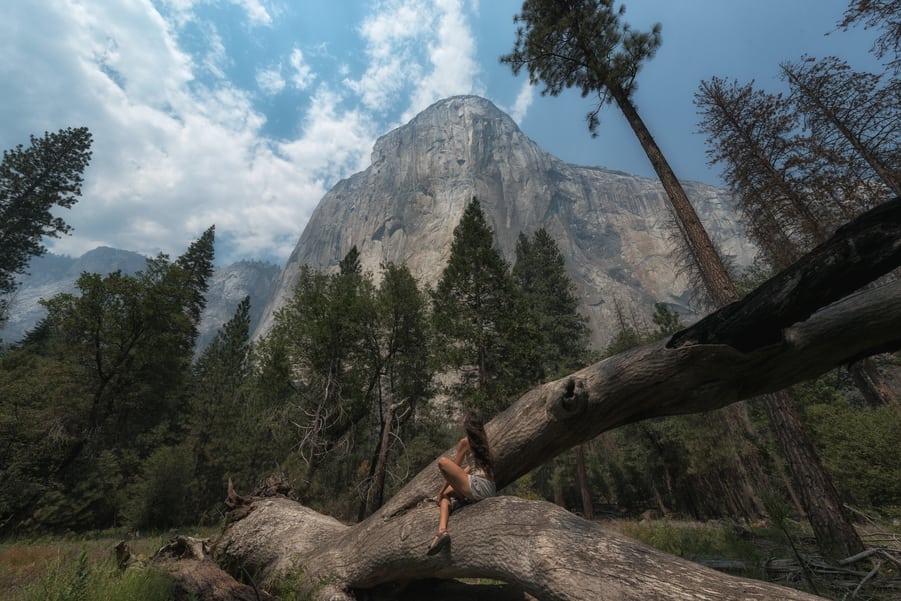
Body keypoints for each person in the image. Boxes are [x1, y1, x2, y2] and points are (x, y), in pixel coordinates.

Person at [426, 412, 496, 555]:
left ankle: (442, 531)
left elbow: (454, 468)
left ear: (468, 426)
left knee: (443, 462)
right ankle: (441, 531)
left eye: (463, 422)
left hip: (477, 487)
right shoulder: (484, 443)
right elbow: (467, 469)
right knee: (448, 495)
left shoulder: (465, 442)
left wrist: (439, 494)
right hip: (490, 489)